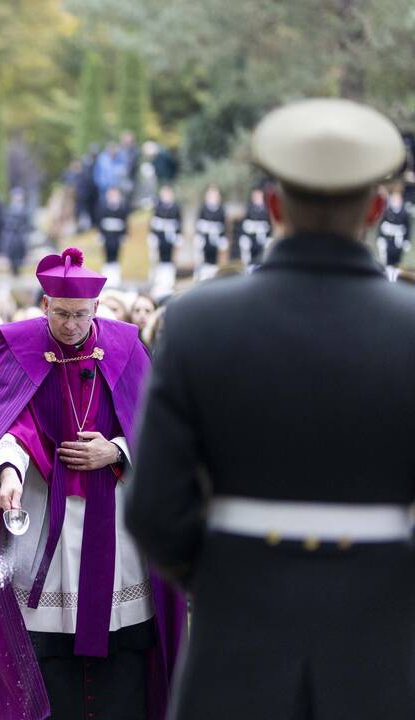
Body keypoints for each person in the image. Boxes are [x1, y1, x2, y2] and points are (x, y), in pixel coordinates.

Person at [128, 98, 414, 720]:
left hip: (236, 637)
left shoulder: (199, 322)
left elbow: (153, 508)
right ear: (376, 209)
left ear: (274, 206)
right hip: (385, 645)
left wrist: (227, 576)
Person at [0, 247, 185, 720]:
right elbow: (2, 427)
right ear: (45, 306)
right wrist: (8, 474)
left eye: (81, 315)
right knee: (45, 642)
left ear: (97, 309)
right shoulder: (16, 348)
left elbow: (158, 425)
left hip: (116, 519)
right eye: (61, 314)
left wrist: (117, 450)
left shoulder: (126, 348)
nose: (70, 325)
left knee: (120, 637)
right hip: (45, 515)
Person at [148, 185, 182, 295]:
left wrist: (178, 236)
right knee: (157, 259)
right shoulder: (157, 207)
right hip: (160, 239)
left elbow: (179, 223)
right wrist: (152, 235)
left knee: (170, 260)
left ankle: (169, 280)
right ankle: (158, 280)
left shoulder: (176, 208)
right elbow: (153, 224)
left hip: (170, 239)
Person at [376, 185, 410, 281]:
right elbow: (381, 225)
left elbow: (408, 228)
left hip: (398, 241)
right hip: (388, 240)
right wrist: (380, 237)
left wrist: (407, 240)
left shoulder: (404, 213)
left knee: (397, 262)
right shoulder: (387, 211)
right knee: (386, 262)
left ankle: (395, 278)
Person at [98, 186, 129, 286]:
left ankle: (115, 278)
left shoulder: (122, 209)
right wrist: (101, 235)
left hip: (117, 236)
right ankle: (106, 278)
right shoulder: (103, 208)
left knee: (116, 256)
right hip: (107, 236)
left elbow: (125, 223)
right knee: (107, 256)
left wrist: (124, 235)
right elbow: (100, 222)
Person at [194, 185, 227, 280]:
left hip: (216, 239)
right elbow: (199, 224)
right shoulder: (203, 208)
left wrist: (222, 237)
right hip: (204, 239)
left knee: (215, 262)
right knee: (201, 261)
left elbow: (223, 225)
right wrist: (199, 236)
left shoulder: (221, 209)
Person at [235, 187, 273, 269]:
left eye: (259, 195)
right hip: (251, 238)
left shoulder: (267, 209)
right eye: (255, 196)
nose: (257, 198)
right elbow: (244, 226)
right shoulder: (249, 208)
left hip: (263, 238)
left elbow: (270, 226)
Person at [1, 187, 32, 276]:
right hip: (11, 235)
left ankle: (18, 269)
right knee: (12, 253)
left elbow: (27, 223)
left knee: (20, 254)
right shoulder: (9, 209)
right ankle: (13, 269)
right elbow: (6, 222)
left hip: (20, 235)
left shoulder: (25, 209)